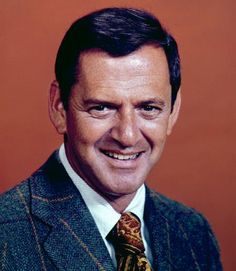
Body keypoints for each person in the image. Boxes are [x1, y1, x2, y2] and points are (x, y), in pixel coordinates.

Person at [0, 7, 222, 271]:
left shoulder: (193, 233)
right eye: (102, 107)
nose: (127, 135)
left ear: (173, 111)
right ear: (59, 108)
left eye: (149, 108)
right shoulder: (6, 235)